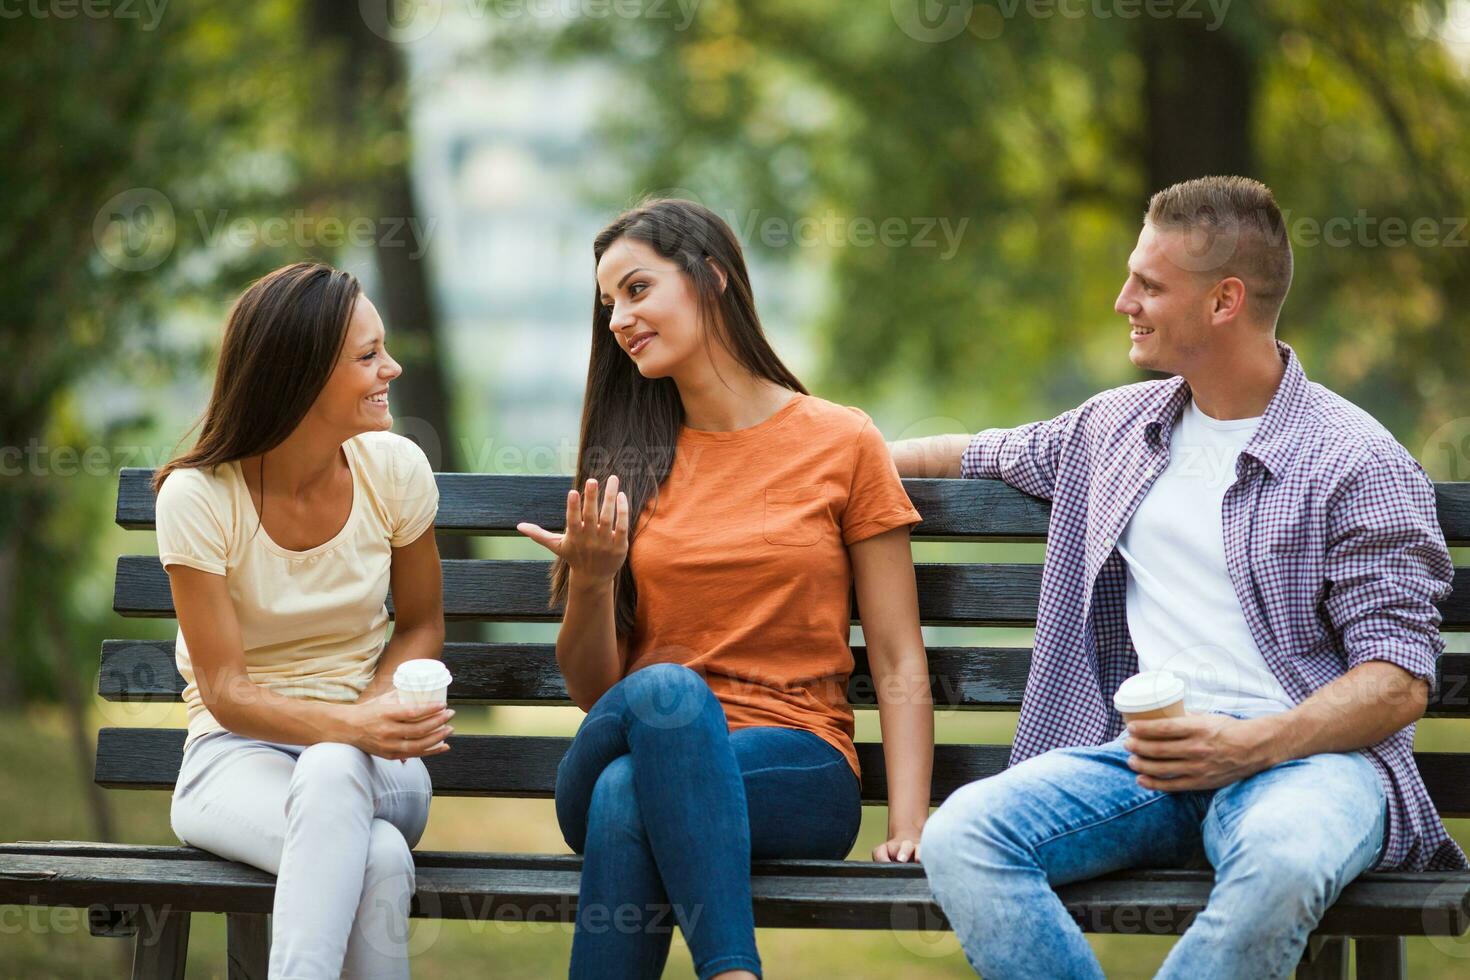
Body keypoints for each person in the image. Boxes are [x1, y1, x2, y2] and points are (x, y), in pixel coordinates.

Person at [891, 176, 1463, 979]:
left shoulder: (1356, 460)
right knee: (965, 837)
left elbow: (1398, 684)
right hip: (1144, 761)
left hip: (1309, 765)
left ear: (1224, 301)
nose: (1124, 300)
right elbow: (970, 453)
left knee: (1285, 866)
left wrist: (1245, 746)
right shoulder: (1115, 429)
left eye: (1150, 285)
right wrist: (832, 461)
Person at [516, 199, 934, 979]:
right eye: (608, 304)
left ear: (710, 278)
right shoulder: (624, 459)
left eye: (637, 290)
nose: (618, 321)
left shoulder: (841, 442)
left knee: (626, 795)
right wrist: (593, 583)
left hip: (799, 766)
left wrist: (908, 823)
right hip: (639, 728)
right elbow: (596, 691)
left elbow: (897, 651)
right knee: (664, 698)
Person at [154, 261, 453, 978]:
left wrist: (374, 719)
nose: (393, 367)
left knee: (331, 773)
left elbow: (419, 623)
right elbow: (225, 690)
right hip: (232, 760)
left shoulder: (396, 471)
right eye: (368, 356)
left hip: (381, 763)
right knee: (376, 855)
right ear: (302, 374)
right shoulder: (199, 497)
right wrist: (348, 729)